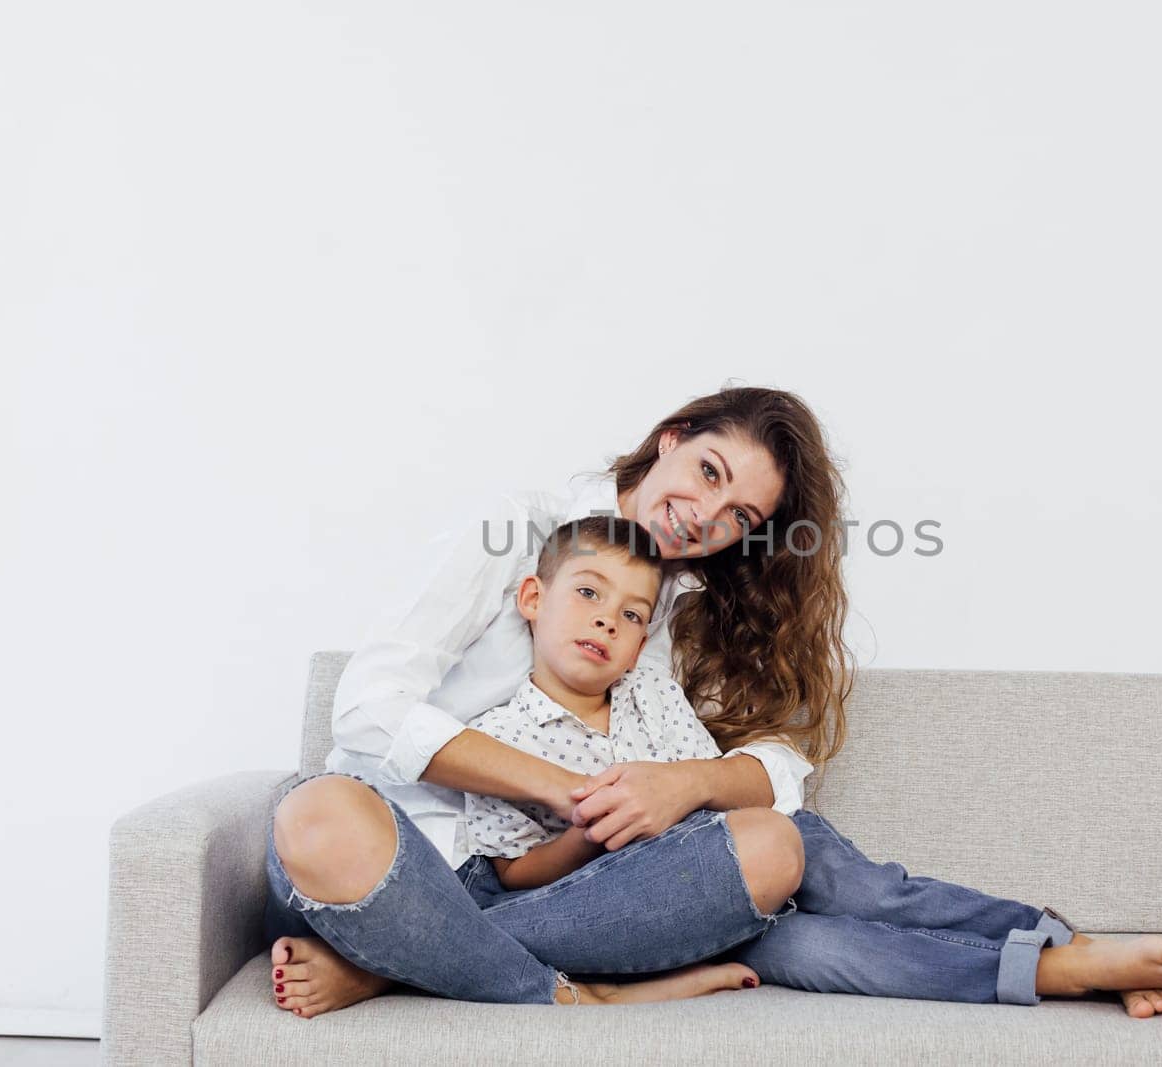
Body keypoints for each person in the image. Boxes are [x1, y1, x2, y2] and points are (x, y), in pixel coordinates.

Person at [459, 515, 1162, 1011]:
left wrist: (682, 796)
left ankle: (1058, 946)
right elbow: (507, 879)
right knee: (802, 867)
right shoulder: (500, 732)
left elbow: (711, 794)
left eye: (629, 614)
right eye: (588, 593)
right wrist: (590, 831)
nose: (605, 620)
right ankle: (1052, 965)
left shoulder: (648, 691)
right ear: (534, 596)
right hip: (622, 906)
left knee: (844, 921)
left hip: (730, 882)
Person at [266, 385, 842, 1015]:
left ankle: (396, 963)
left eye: (739, 516)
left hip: (556, 890)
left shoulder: (690, 613)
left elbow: (779, 768)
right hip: (391, 858)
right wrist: (565, 790)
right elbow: (366, 708)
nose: (706, 515)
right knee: (317, 814)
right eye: (708, 471)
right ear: (670, 439)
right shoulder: (519, 532)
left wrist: (689, 784)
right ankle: (570, 992)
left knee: (770, 846)